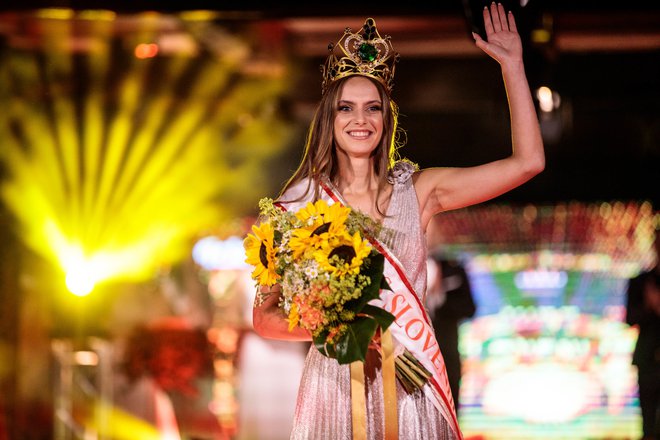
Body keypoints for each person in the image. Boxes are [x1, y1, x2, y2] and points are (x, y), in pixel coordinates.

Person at [252, 4, 544, 439]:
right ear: (329, 119)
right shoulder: (300, 203)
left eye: (372, 108)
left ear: (386, 117)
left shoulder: (418, 191)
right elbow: (265, 318)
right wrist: (337, 325)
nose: (360, 120)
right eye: (346, 108)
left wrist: (513, 67)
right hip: (333, 388)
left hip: (409, 384)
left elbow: (528, 163)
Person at [426, 254, 476, 417]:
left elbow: (469, 308)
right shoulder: (398, 264)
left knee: (451, 403)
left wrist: (441, 301)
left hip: (447, 352)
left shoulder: (452, 267)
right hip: (411, 354)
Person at [626, 228, 660, 440]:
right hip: (647, 360)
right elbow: (630, 318)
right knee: (647, 424)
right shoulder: (641, 281)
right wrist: (650, 307)